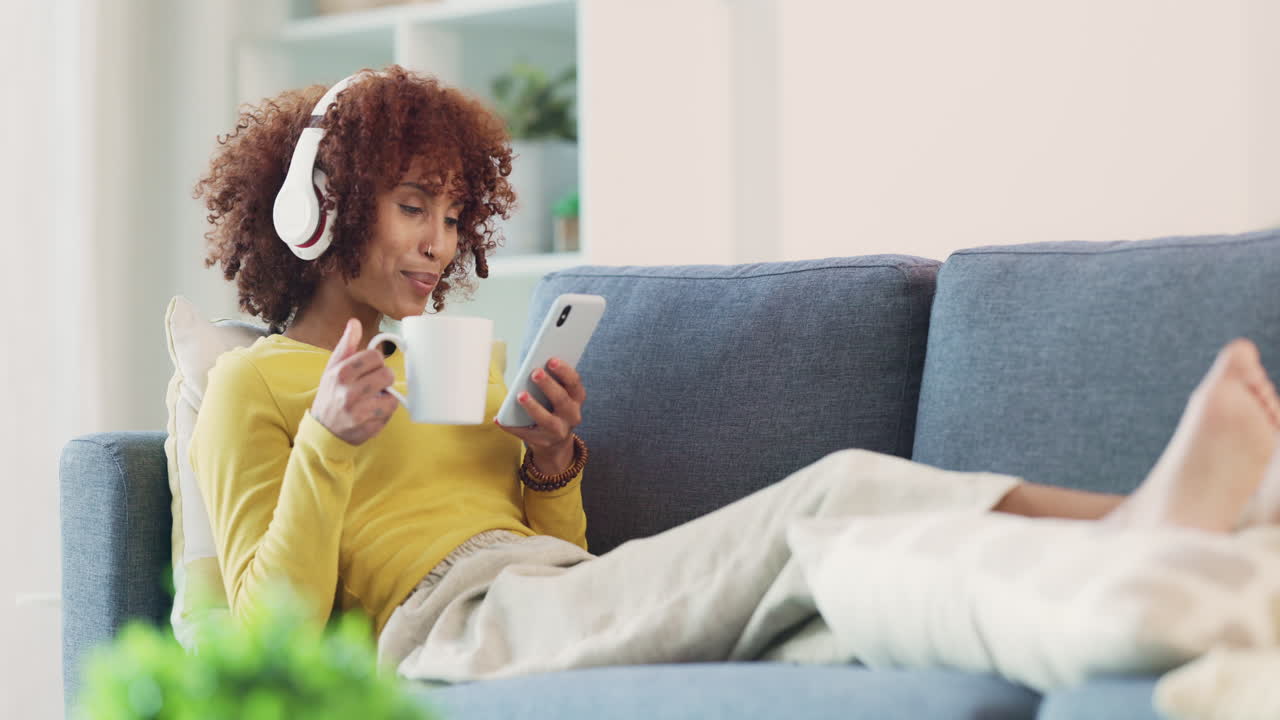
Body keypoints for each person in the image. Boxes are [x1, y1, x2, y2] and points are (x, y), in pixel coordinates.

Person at [190, 65, 1280, 684]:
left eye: (450, 214)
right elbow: (258, 638)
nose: (438, 244)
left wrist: (549, 463)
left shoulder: (448, 370)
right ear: (320, 204)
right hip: (447, 636)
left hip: (550, 590)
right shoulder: (260, 387)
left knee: (858, 598)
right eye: (411, 208)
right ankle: (1148, 525)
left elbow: (559, 552)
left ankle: (1146, 591)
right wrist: (330, 445)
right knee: (834, 493)